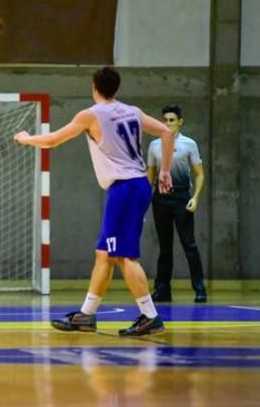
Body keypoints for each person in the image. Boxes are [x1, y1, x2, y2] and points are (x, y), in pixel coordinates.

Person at [13, 66, 175, 336]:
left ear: (94, 87)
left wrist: (27, 139)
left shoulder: (91, 114)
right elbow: (167, 133)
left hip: (124, 188)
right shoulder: (132, 111)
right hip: (135, 186)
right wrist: (165, 170)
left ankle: (150, 316)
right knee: (105, 253)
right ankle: (86, 315)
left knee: (123, 256)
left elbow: (53, 140)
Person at [146, 105, 207, 303]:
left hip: (182, 198)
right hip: (160, 199)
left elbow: (200, 174)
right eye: (165, 120)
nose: (168, 123)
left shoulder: (189, 144)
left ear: (180, 121)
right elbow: (150, 176)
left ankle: (199, 288)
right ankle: (163, 290)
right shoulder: (154, 145)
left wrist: (195, 197)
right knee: (165, 247)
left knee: (189, 244)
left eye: (172, 120)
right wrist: (144, 201)